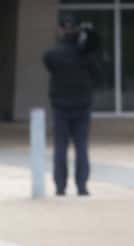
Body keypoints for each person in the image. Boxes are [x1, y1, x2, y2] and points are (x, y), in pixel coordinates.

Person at [43, 15, 102, 196]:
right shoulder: (87, 56)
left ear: (60, 30)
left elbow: (49, 62)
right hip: (82, 105)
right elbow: (97, 75)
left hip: (60, 106)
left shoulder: (53, 54)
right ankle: (82, 186)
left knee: (60, 148)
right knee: (81, 147)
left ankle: (60, 187)